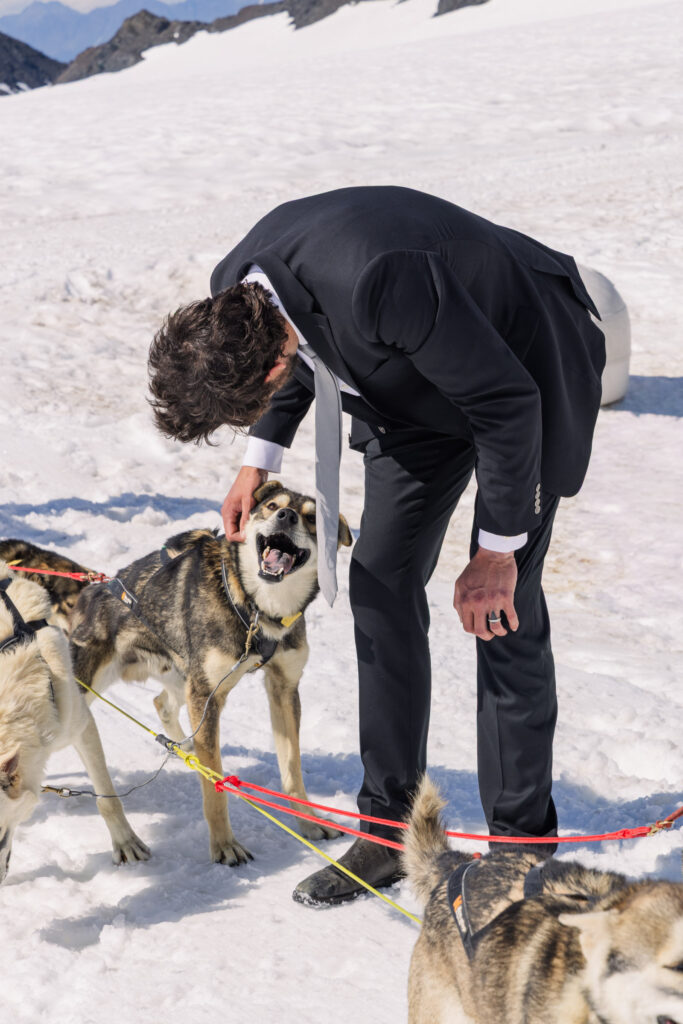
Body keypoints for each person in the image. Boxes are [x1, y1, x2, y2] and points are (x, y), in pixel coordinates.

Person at [148, 186, 605, 906]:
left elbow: (504, 403)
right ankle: (388, 830)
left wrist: (493, 555)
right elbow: (296, 356)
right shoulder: (236, 290)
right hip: (409, 390)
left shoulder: (378, 279)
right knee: (379, 584)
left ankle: (519, 856)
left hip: (524, 373)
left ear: (265, 362)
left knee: (501, 609)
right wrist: (257, 457)